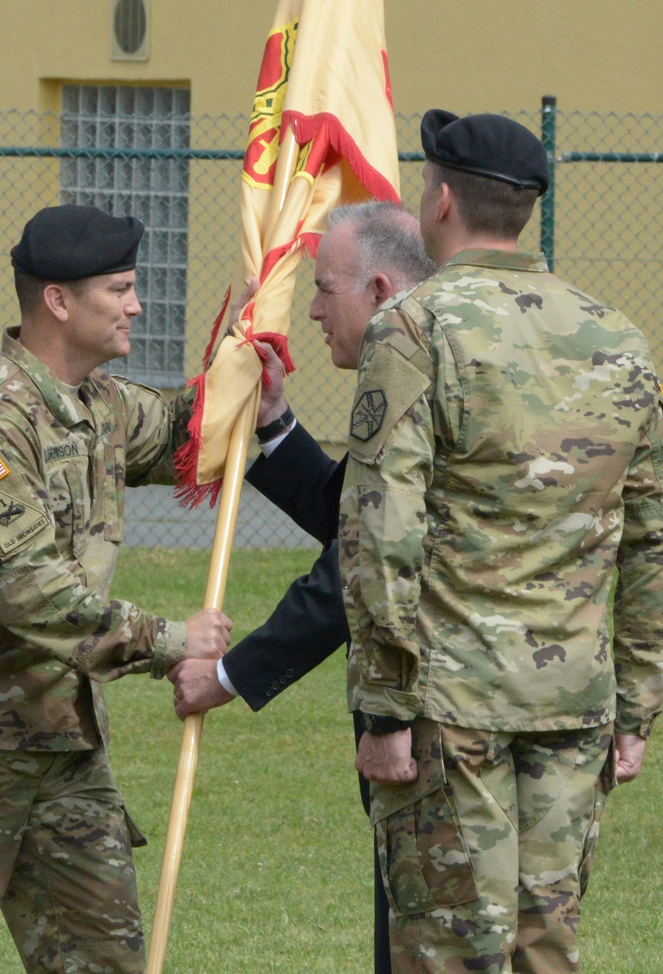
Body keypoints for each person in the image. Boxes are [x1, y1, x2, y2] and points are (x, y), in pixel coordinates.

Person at [0, 204, 232, 974]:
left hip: (60, 748)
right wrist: (168, 641)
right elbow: (27, 590)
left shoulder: (102, 406)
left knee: (104, 960)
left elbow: (194, 431)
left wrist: (250, 367)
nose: (137, 305)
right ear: (58, 301)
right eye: (119, 290)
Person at [342, 109, 663, 974]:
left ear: (440, 199)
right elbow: (649, 543)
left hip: (452, 708)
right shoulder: (621, 340)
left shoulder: (415, 328)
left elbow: (381, 529)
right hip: (573, 700)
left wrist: (382, 706)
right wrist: (635, 706)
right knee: (543, 950)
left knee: (450, 950)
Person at [169, 201, 433, 974]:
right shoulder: (426, 357)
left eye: (325, 289)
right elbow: (350, 516)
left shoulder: (422, 371)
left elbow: (353, 567)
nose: (313, 310)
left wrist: (227, 675)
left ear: (380, 290)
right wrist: (277, 423)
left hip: (443, 721)